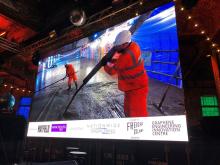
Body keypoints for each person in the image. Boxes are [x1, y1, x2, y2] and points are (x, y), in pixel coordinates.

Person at [104, 30, 149, 117]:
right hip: (133, 86)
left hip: (137, 88)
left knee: (137, 115)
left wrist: (105, 63)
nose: (116, 48)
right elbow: (120, 60)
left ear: (124, 44)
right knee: (128, 111)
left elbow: (111, 71)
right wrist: (113, 59)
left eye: (118, 46)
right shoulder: (133, 45)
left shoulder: (127, 55)